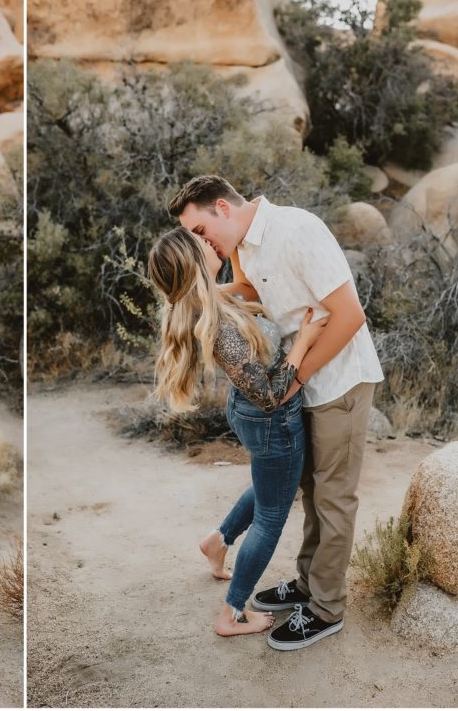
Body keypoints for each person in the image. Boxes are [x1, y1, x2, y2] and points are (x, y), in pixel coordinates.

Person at [169, 175, 383, 650]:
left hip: (338, 382)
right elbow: (250, 288)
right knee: (310, 490)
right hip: (297, 386)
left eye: (200, 231)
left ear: (223, 208)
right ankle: (308, 584)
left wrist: (296, 378)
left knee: (333, 499)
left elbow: (350, 316)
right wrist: (201, 297)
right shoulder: (241, 245)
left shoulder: (298, 230)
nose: (202, 243)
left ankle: (326, 608)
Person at [149, 227, 327, 636]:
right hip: (270, 419)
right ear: (195, 264)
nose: (209, 242)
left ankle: (219, 540)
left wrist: (234, 244)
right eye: (202, 243)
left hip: (251, 414)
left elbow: (246, 285)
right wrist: (303, 342)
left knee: (270, 487)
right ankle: (232, 614)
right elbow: (269, 396)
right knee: (271, 516)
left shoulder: (213, 297)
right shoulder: (220, 328)